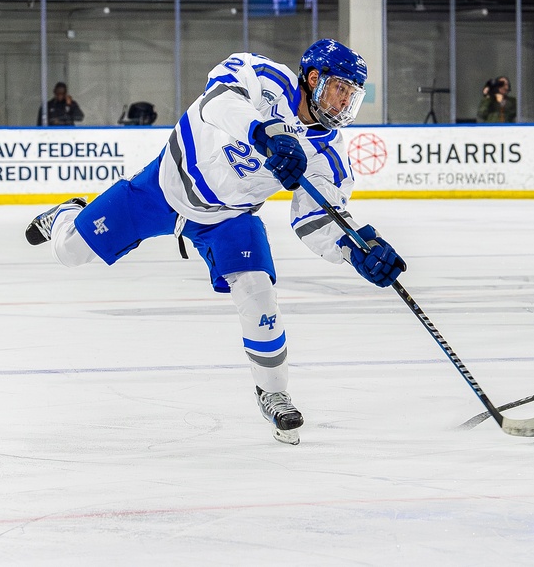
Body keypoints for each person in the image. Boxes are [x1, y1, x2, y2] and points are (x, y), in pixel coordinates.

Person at [24, 39, 406, 446]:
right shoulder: (263, 76)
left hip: (228, 217)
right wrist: (265, 133)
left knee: (257, 289)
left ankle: (273, 391)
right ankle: (66, 214)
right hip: (163, 188)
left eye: (352, 94)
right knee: (69, 251)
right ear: (314, 79)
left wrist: (355, 249)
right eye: (339, 89)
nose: (344, 102)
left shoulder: (328, 153)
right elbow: (216, 102)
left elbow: (314, 215)